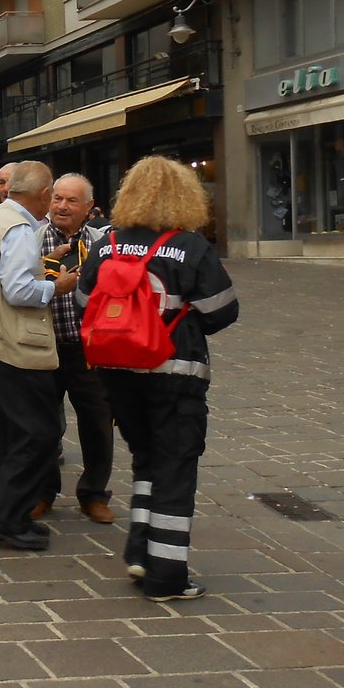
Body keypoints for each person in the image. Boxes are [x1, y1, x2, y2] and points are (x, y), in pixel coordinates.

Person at [77, 156, 238, 602]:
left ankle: (141, 551)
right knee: (175, 467)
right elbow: (222, 310)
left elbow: (83, 300)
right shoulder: (190, 247)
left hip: (117, 375)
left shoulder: (107, 244)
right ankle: (167, 575)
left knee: (146, 458)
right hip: (174, 373)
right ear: (184, 196)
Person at [0, 161, 72, 551]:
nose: (52, 204)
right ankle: (3, 516)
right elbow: (18, 290)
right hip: (14, 343)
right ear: (42, 195)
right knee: (40, 431)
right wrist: (57, 286)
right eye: (52, 195)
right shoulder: (19, 227)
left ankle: (9, 515)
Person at [35, 174, 116, 523]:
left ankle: (94, 494)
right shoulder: (33, 238)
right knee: (41, 426)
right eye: (57, 199)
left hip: (88, 347)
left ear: (88, 208)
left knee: (98, 422)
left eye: (70, 201)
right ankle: (42, 493)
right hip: (45, 346)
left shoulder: (102, 241)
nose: (62, 206)